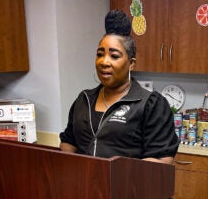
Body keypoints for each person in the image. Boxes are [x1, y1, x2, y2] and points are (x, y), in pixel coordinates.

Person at [60, 9, 179, 164]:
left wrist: (114, 177)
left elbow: (162, 158)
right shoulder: (84, 100)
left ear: (131, 63)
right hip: (84, 186)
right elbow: (69, 142)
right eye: (100, 54)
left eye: (114, 56)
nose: (104, 62)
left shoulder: (151, 104)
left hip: (128, 187)